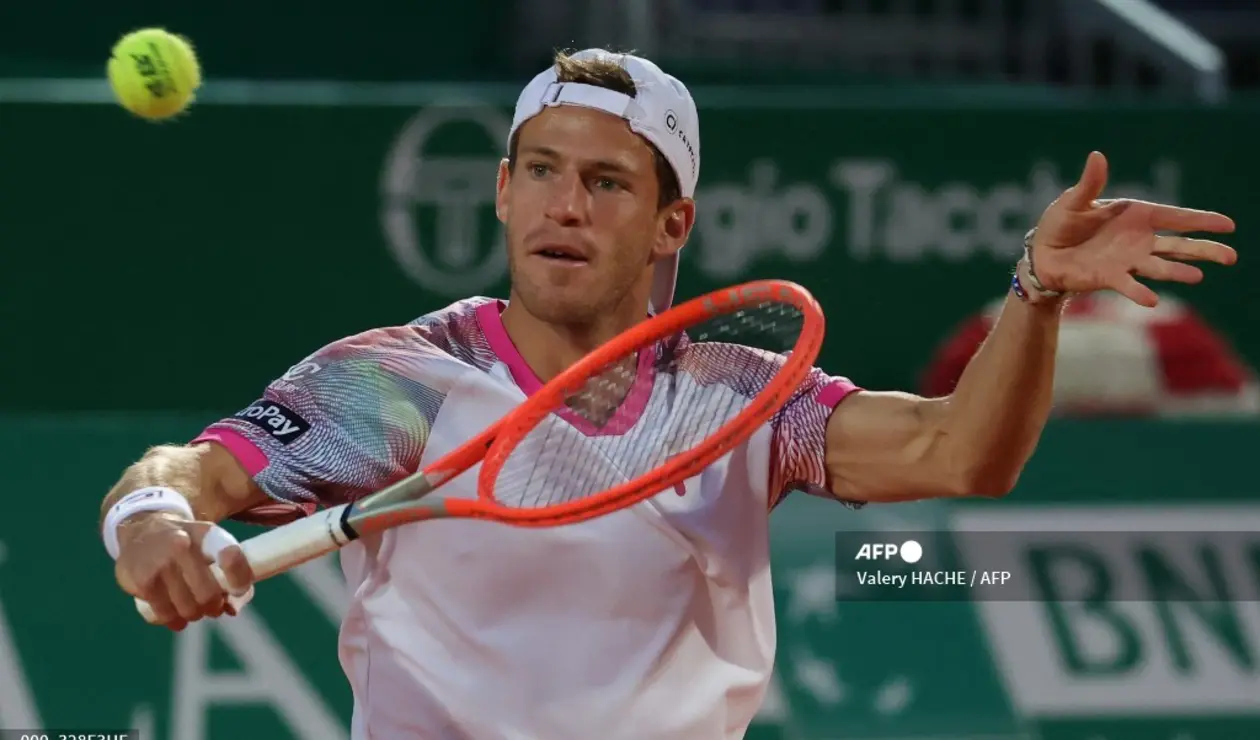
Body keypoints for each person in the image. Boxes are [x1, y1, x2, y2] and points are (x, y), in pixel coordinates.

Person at [99, 49, 1236, 738]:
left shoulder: (748, 399)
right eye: (540, 171)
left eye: (605, 182)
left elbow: (958, 455)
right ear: (499, 192)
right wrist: (153, 515)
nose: (566, 205)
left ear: (670, 222)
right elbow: (195, 472)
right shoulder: (396, 382)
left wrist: (1034, 291)